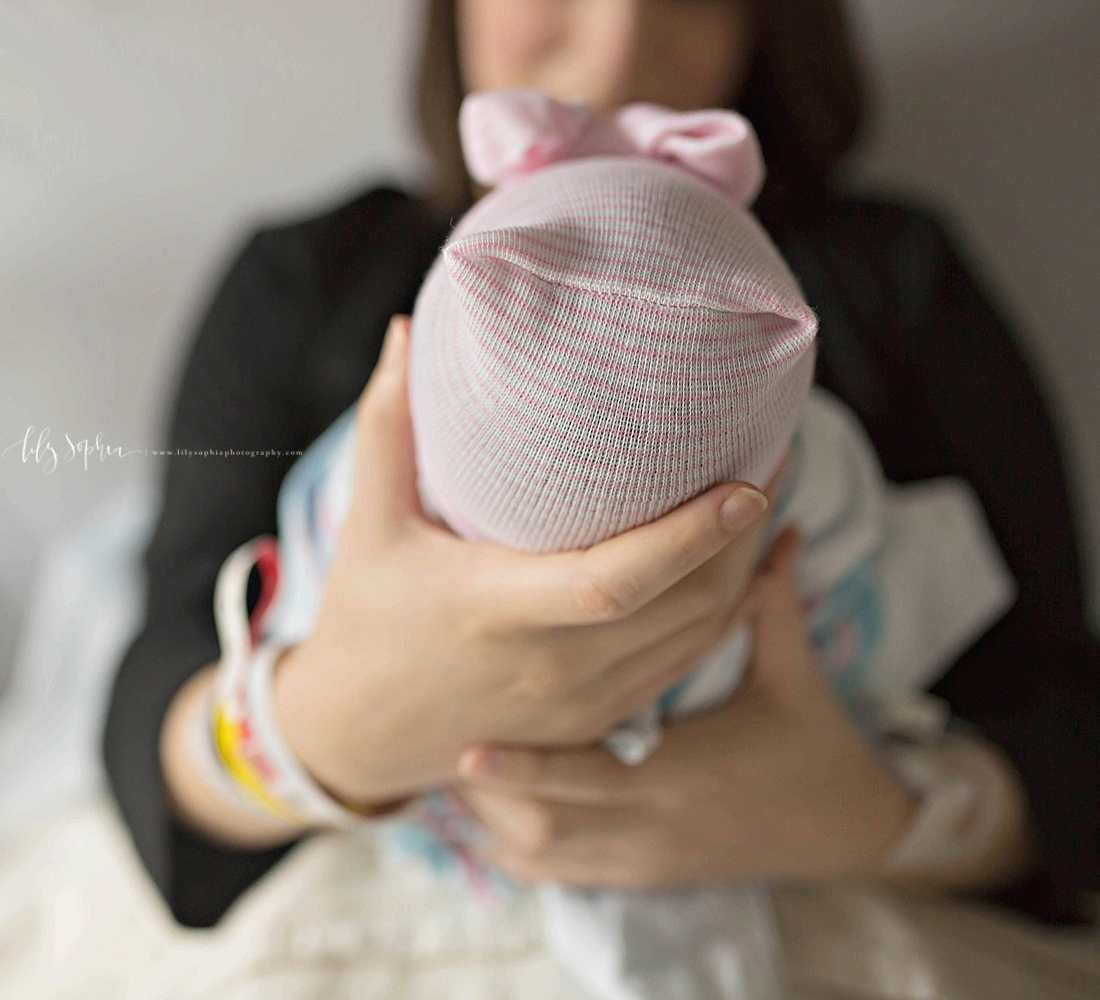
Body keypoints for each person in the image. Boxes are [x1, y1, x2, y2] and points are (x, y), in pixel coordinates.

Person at [104, 0, 1100, 933]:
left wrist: (877, 818)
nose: (618, 48)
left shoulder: (892, 280)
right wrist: (329, 728)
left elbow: (1069, 710)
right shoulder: (305, 286)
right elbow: (157, 688)